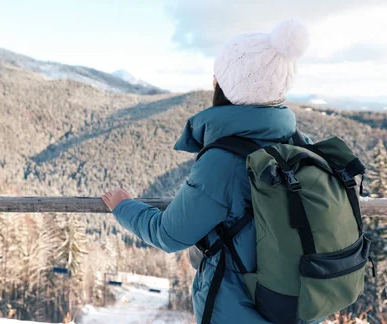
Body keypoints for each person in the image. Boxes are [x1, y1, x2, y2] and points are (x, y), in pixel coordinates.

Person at [102, 18, 315, 323]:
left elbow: (170, 234)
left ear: (222, 84)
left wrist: (124, 207)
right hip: (300, 306)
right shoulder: (301, 144)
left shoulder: (225, 161)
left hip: (241, 310)